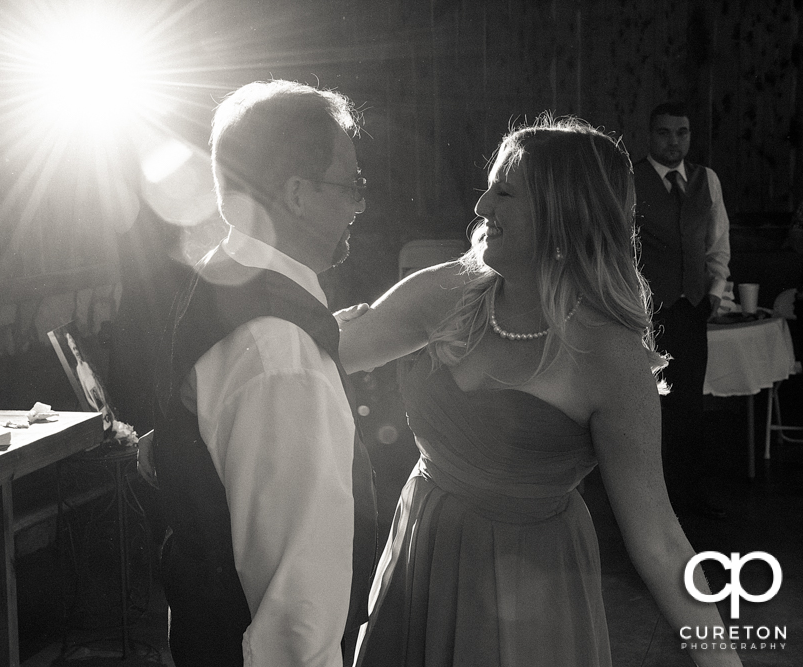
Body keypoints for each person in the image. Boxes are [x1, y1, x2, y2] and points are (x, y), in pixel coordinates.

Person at [338, 116, 741, 666]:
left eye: (504, 192)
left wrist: (721, 659)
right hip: (424, 546)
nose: (481, 207)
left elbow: (659, 539)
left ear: (564, 212)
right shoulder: (445, 294)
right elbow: (323, 354)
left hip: (531, 581)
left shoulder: (611, 356)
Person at [151, 80, 378, 667]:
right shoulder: (282, 358)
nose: (359, 203)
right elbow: (295, 604)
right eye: (350, 185)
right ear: (297, 193)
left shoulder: (222, 281)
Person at [633, 102, 731, 519]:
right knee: (647, 409)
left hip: (691, 308)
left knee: (690, 407)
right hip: (645, 314)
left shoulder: (706, 180)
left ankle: (690, 500)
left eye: (682, 133)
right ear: (650, 135)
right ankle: (650, 508)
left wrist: (715, 289)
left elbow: (717, 240)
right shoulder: (629, 179)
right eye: (665, 133)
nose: (674, 141)